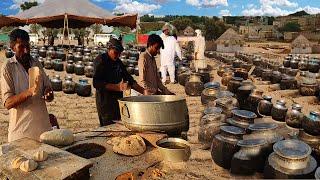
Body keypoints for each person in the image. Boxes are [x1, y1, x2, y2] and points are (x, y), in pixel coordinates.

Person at [1, 29, 54, 142]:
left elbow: (48, 88)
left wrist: (48, 94)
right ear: (12, 47)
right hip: (21, 133)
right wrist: (30, 91)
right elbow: (8, 103)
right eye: (21, 47)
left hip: (43, 130)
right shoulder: (8, 67)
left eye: (28, 46)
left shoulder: (36, 63)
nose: (26, 51)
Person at [93, 38, 144, 126]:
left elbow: (129, 80)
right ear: (109, 49)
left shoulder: (118, 62)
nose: (118, 55)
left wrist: (144, 92)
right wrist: (117, 87)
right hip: (105, 103)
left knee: (118, 125)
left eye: (119, 53)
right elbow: (97, 83)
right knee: (108, 128)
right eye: (116, 52)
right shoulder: (101, 60)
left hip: (117, 102)